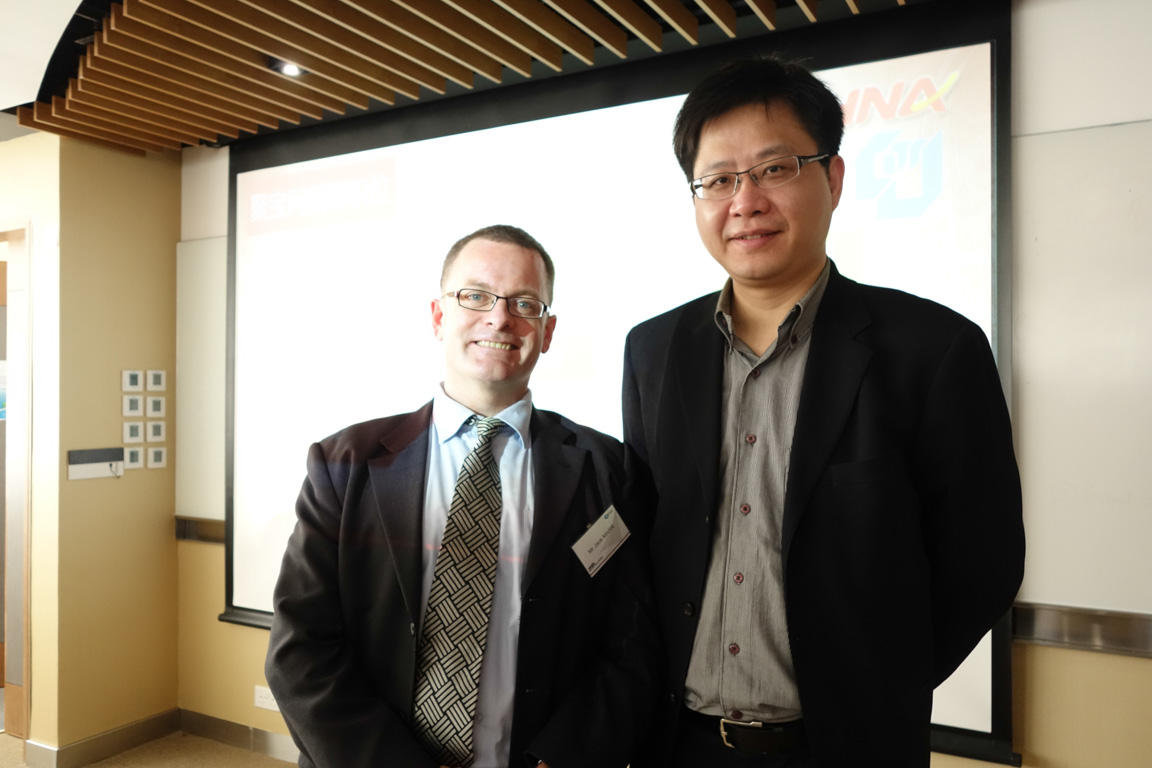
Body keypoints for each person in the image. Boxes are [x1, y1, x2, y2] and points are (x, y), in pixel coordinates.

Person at [622, 55, 1025, 767]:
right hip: (677, 746)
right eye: (719, 179)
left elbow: (984, 560)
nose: (745, 201)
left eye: (774, 169)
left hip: (846, 747)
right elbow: (647, 541)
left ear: (833, 178)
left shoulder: (934, 349)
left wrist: (876, 685)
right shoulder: (654, 350)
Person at [267, 224, 658, 768]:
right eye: (475, 296)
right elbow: (301, 649)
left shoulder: (608, 470)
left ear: (546, 331)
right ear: (438, 316)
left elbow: (631, 645)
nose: (499, 318)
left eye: (525, 303)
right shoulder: (343, 464)